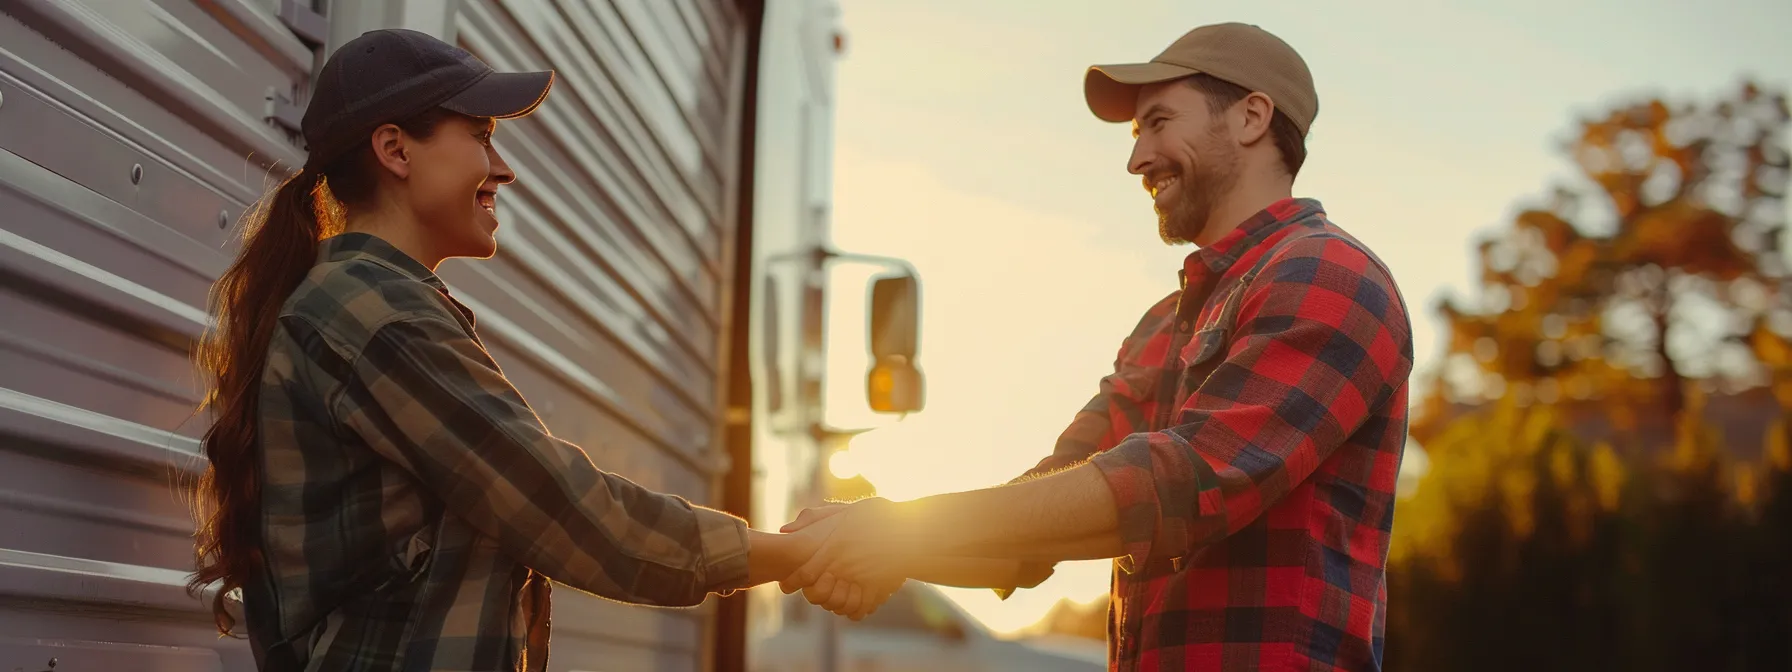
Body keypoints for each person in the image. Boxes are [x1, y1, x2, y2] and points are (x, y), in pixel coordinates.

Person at [185, 29, 830, 671]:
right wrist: (794, 553)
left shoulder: (365, 303)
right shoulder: (373, 315)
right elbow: (565, 510)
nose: (504, 168)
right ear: (395, 150)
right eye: (480, 136)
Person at [782, 23, 1415, 672]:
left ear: (1252, 117)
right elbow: (1028, 531)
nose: (1137, 159)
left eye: (1159, 122)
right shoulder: (1161, 326)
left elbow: (1179, 486)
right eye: (1137, 134)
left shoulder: (1331, 276)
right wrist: (861, 542)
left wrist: (892, 531)